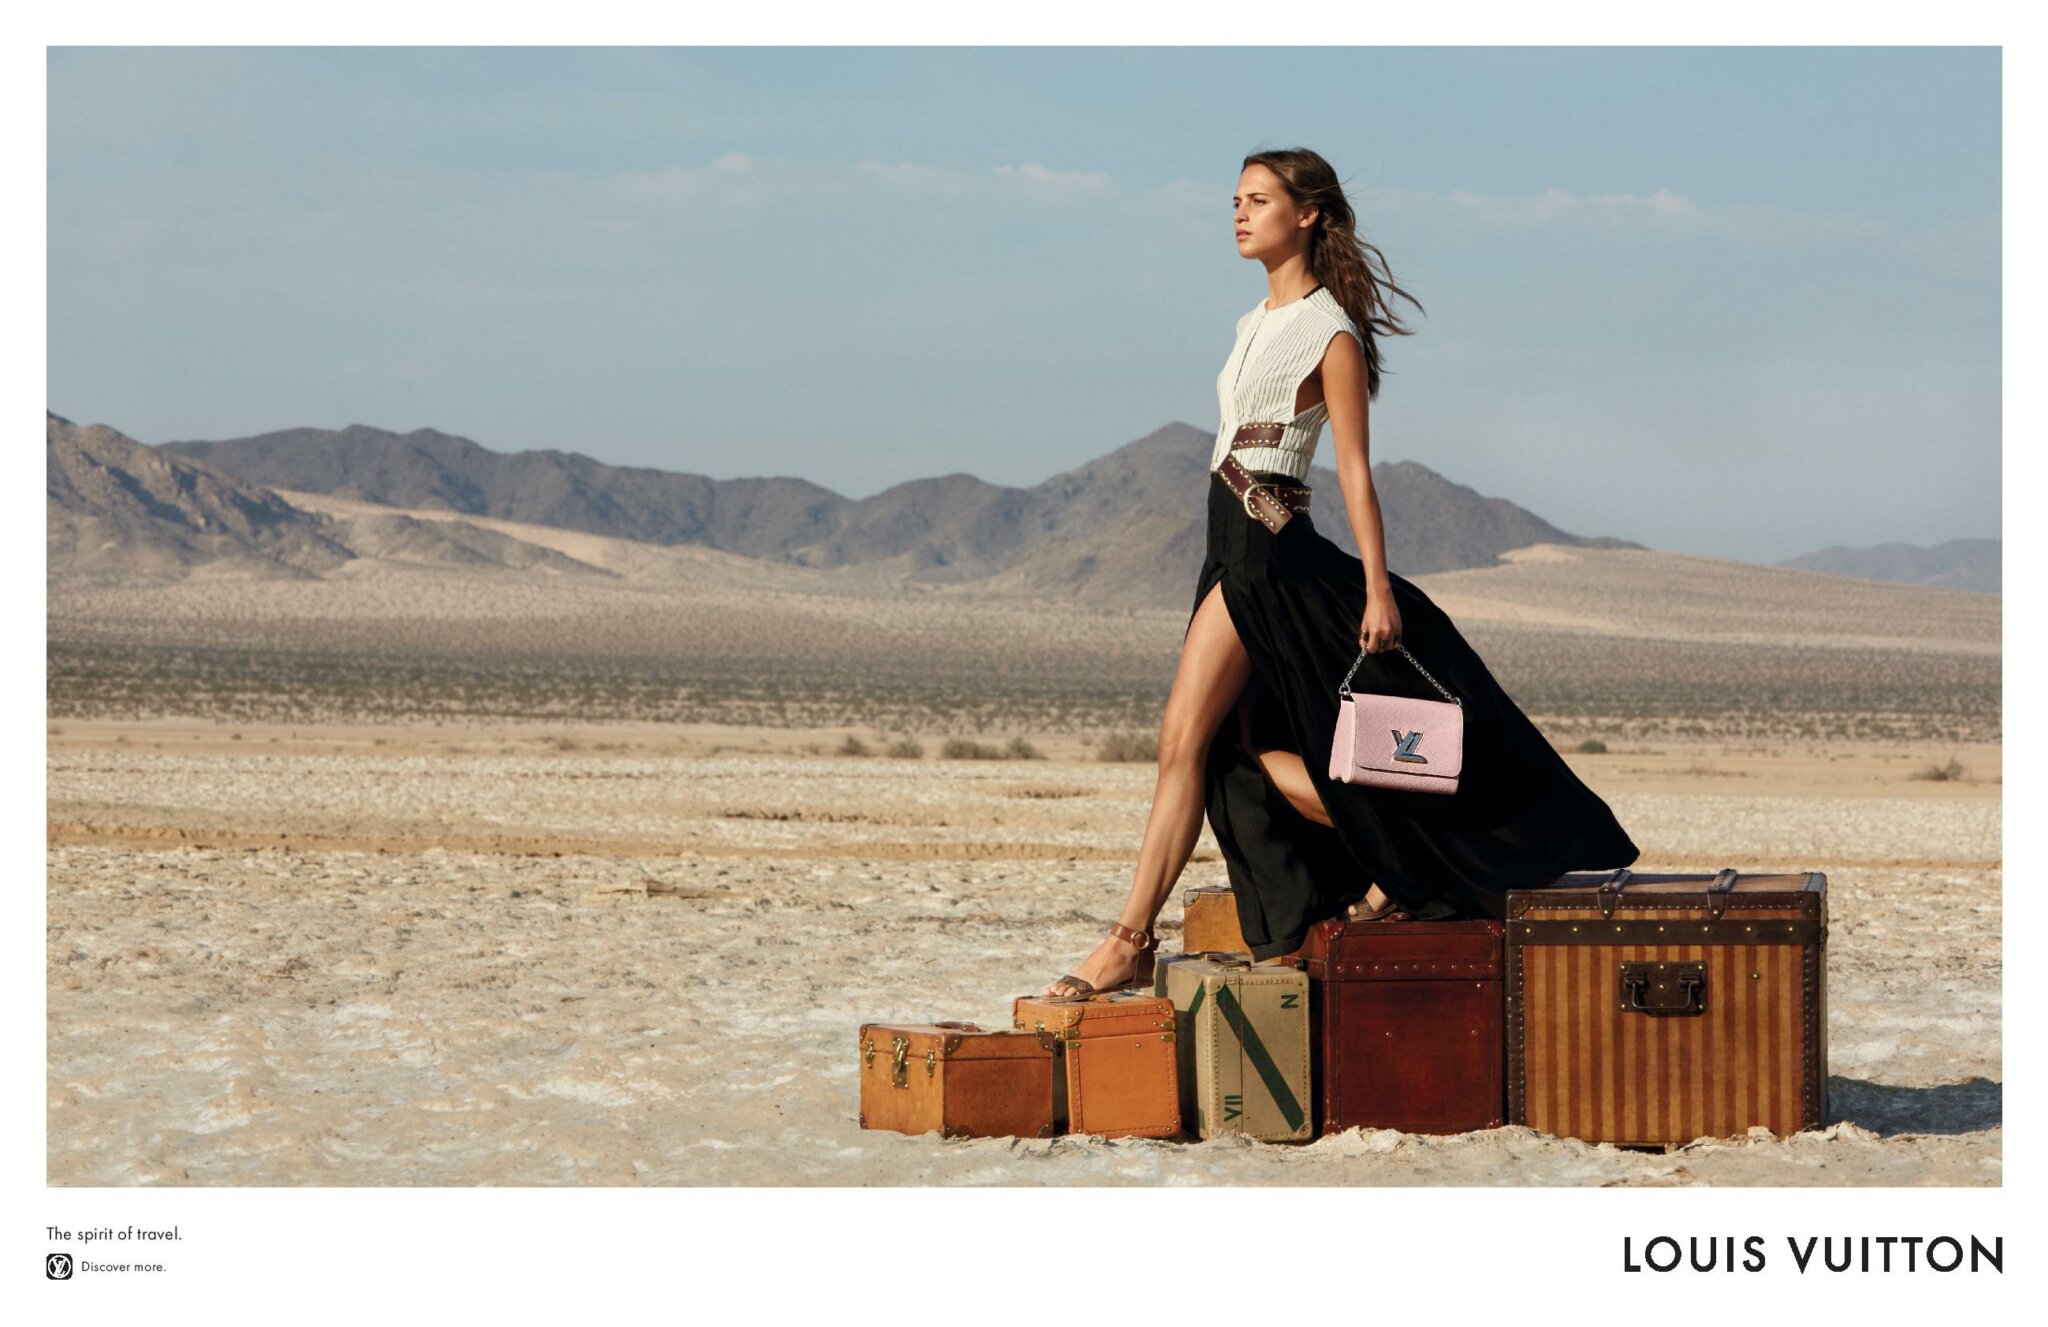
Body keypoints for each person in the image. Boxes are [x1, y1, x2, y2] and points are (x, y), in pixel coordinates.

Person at [1044, 147, 1639, 998]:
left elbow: (1355, 470)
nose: (1239, 213)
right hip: (1224, 548)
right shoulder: (1251, 324)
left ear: (1308, 213)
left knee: (1181, 740)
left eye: (1258, 200)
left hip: (1268, 554)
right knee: (1240, 753)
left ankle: (1127, 940)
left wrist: (1379, 588)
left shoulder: (1331, 332)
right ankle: (1399, 857)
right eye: (1236, 199)